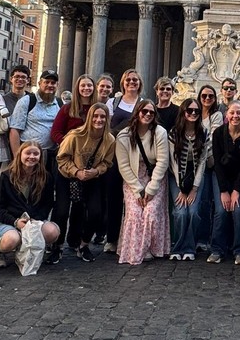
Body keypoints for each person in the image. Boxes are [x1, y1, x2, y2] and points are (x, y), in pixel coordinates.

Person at [57, 103, 115, 262]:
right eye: (95, 116)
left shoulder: (109, 139)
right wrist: (76, 172)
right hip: (67, 176)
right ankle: (57, 246)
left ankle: (84, 244)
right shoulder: (74, 136)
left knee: (96, 212)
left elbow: (107, 163)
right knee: (61, 212)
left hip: (92, 178)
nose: (99, 120)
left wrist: (96, 171)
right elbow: (61, 158)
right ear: (89, 117)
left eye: (102, 116)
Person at [47, 74, 96, 263]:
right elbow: (55, 132)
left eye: (89, 86)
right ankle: (56, 245)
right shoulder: (67, 108)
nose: (86, 89)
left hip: (87, 164)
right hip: (66, 164)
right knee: (61, 207)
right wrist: (69, 145)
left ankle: (75, 241)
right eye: (83, 85)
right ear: (77, 88)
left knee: (80, 206)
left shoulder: (96, 109)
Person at [0, 141, 60, 269]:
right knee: (11, 239)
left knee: (52, 231)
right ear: (20, 154)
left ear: (40, 156)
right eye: (28, 153)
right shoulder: (6, 177)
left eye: (36, 154)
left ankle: (28, 248)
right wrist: (15, 222)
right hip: (6, 222)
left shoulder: (46, 177)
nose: (31, 156)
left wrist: (34, 220)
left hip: (33, 220)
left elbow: (47, 204)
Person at [115, 99, 170, 264]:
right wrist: (138, 189)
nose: (147, 114)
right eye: (144, 111)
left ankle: (151, 247)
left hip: (155, 178)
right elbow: (124, 166)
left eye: (151, 112)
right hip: (133, 178)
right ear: (137, 113)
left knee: (150, 212)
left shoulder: (160, 132)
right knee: (135, 212)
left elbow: (162, 162)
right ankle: (135, 249)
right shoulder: (124, 136)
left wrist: (151, 188)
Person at [209, 100, 240, 265]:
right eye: (232, 112)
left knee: (238, 210)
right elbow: (217, 163)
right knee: (221, 211)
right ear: (226, 114)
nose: (235, 116)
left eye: (239, 112)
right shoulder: (219, 133)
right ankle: (217, 249)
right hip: (221, 176)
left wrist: (236, 189)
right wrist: (224, 190)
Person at [103, 69, 143, 252]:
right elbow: (106, 127)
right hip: (114, 154)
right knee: (113, 197)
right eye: (128, 80)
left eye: (135, 80)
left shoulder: (143, 103)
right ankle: (112, 238)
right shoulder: (113, 102)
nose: (131, 82)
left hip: (134, 155)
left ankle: (132, 238)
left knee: (134, 198)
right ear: (123, 83)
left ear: (139, 83)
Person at [168, 99, 208, 260]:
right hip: (176, 176)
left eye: (196, 111)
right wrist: (182, 188)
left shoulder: (204, 133)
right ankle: (177, 247)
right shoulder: (174, 133)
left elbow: (202, 162)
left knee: (193, 212)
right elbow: (174, 162)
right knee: (180, 212)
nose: (193, 113)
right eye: (189, 110)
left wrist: (194, 188)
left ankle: (189, 247)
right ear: (183, 112)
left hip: (196, 175)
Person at [194, 84, 224, 251]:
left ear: (215, 99)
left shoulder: (217, 115)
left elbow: (213, 138)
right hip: (197, 163)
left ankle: (207, 239)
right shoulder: (194, 113)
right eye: (204, 96)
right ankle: (199, 238)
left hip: (210, 163)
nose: (207, 99)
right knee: (201, 202)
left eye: (210, 96)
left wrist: (198, 147)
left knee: (209, 202)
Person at [8, 69, 62, 158]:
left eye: (53, 83)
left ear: (57, 85)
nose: (50, 85)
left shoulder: (60, 103)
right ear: (39, 83)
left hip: (51, 154)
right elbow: (14, 130)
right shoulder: (27, 101)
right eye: (46, 82)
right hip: (29, 154)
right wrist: (17, 157)